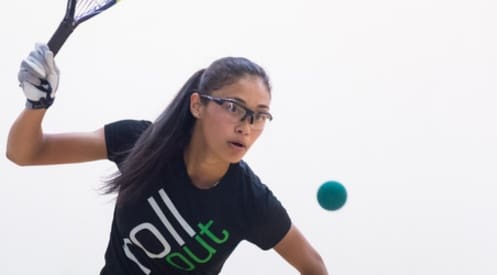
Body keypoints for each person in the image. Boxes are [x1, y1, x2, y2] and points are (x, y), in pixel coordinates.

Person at [7, 43, 329, 275]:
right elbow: (24, 153)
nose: (246, 126)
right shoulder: (139, 141)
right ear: (197, 105)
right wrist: (37, 105)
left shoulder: (250, 201)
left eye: (259, 116)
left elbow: (313, 266)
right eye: (233, 107)